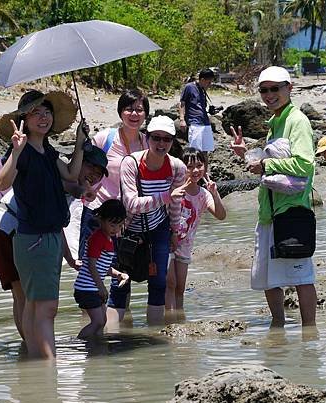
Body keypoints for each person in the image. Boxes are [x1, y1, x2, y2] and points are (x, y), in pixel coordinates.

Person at [0, 89, 88, 359]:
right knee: (44, 307)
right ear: (24, 119)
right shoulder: (22, 151)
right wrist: (16, 150)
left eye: (46, 111)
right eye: (36, 112)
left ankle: (36, 363)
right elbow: (2, 183)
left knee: (35, 306)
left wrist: (80, 144)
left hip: (46, 237)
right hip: (34, 238)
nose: (43, 117)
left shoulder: (47, 150)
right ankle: (48, 364)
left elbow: (71, 175)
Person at [230, 66, 317, 328]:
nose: (269, 95)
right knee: (269, 277)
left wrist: (266, 165)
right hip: (269, 212)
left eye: (275, 89)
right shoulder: (274, 123)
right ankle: (277, 329)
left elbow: (305, 165)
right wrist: (247, 155)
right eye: (264, 90)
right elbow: (271, 165)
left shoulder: (297, 121)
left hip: (292, 211)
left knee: (302, 276)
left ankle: (309, 334)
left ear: (289, 88)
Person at [114, 115, 186, 324]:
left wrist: (175, 231)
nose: (161, 144)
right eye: (156, 138)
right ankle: (113, 337)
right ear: (147, 138)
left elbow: (175, 205)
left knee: (158, 283)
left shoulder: (177, 167)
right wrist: (165, 196)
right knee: (120, 284)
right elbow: (131, 204)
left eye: (167, 139)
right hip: (128, 229)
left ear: (173, 142)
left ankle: (155, 343)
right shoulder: (131, 163)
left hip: (159, 228)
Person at [79, 89, 149, 258]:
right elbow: (81, 166)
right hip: (97, 212)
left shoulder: (148, 143)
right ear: (120, 112)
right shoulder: (105, 138)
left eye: (139, 110)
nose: (134, 114)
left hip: (129, 217)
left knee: (122, 273)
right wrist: (86, 187)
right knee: (91, 270)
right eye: (128, 109)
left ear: (146, 114)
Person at [165, 148, 226, 311]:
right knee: (170, 283)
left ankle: (179, 319)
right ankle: (168, 319)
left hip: (185, 246)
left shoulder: (204, 194)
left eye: (199, 165)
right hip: (168, 242)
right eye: (190, 166)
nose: (195, 170)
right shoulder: (175, 188)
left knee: (180, 288)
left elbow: (221, 215)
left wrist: (215, 194)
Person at [73, 199, 129, 339]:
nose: (115, 229)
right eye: (112, 225)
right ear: (101, 219)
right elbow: (91, 264)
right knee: (98, 321)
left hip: (93, 288)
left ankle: (96, 349)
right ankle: (77, 343)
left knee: (101, 323)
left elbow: (103, 265)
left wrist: (118, 274)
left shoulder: (107, 239)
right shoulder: (98, 238)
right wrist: (101, 287)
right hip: (86, 289)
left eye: (119, 225)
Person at [179, 68, 216, 165]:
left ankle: (205, 176)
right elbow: (182, 103)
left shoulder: (202, 90)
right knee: (195, 152)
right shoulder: (189, 87)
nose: (210, 85)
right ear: (202, 80)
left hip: (206, 123)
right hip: (195, 123)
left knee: (205, 152)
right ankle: (193, 176)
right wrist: (182, 119)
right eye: (209, 82)